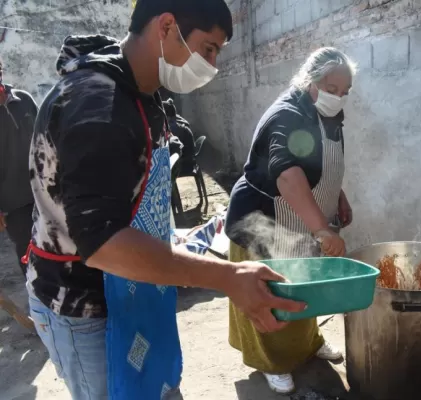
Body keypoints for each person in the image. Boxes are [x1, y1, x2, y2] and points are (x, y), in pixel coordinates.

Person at [25, 1, 304, 399]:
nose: (212, 64)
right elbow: (103, 243)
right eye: (209, 48)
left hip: (139, 286)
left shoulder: (141, 93)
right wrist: (226, 276)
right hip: (87, 306)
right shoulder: (96, 105)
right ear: (168, 26)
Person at [225, 47, 356, 394]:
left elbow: (325, 166)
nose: (338, 98)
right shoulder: (288, 115)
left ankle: (309, 344)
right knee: (269, 293)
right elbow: (288, 177)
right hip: (264, 219)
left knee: (304, 288)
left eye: (344, 92)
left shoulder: (328, 114)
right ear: (310, 80)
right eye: (331, 88)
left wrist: (337, 197)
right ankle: (271, 363)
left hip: (303, 218)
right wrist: (322, 229)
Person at [0, 58, 38, 277]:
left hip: (44, 192)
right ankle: (37, 305)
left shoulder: (24, 100)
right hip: (15, 206)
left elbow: (45, 136)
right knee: (30, 259)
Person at [163, 98, 196, 175]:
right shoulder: (181, 122)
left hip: (182, 168)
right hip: (189, 164)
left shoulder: (171, 128)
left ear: (166, 116)